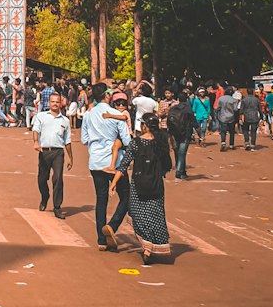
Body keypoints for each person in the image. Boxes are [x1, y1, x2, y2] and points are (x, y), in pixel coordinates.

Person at [82, 82, 132, 250]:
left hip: (96, 161)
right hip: (115, 162)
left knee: (101, 199)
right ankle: (112, 225)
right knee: (126, 196)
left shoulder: (88, 115)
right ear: (107, 95)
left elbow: (84, 139)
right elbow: (127, 141)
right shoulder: (115, 114)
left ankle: (101, 240)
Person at [125, 112, 173, 262]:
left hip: (138, 185)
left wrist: (113, 182)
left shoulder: (135, 142)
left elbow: (125, 162)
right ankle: (151, 247)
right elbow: (168, 164)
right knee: (155, 215)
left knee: (137, 214)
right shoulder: (162, 142)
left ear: (144, 126)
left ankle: (147, 248)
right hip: (156, 184)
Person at [32, 92, 73, 219]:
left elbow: (67, 140)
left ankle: (57, 207)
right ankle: (45, 197)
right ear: (49, 103)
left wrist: (71, 157)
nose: (55, 104)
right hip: (44, 151)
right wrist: (36, 142)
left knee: (58, 178)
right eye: (53, 101)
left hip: (58, 153)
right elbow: (36, 130)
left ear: (61, 103)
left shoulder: (65, 121)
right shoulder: (41, 116)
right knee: (42, 179)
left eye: (57, 102)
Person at [167, 90, 196, 180]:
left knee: (178, 151)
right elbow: (194, 122)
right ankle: (179, 172)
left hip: (175, 133)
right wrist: (200, 135)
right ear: (186, 99)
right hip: (185, 133)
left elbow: (169, 121)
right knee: (182, 153)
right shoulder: (188, 109)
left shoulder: (173, 108)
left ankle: (182, 171)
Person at [215, 86, 241, 151]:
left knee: (223, 131)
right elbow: (235, 109)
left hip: (223, 117)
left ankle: (223, 142)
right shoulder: (234, 100)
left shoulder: (221, 99)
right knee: (232, 131)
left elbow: (218, 108)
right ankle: (231, 145)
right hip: (231, 117)